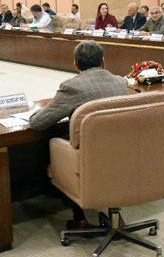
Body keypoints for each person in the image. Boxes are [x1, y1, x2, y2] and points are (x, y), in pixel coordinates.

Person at [28, 40, 128, 230]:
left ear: (75, 64)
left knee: (60, 143)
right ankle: (114, 213)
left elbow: (39, 123)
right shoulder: (121, 82)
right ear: (103, 62)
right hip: (120, 153)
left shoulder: (72, 87)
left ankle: (79, 217)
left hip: (88, 158)